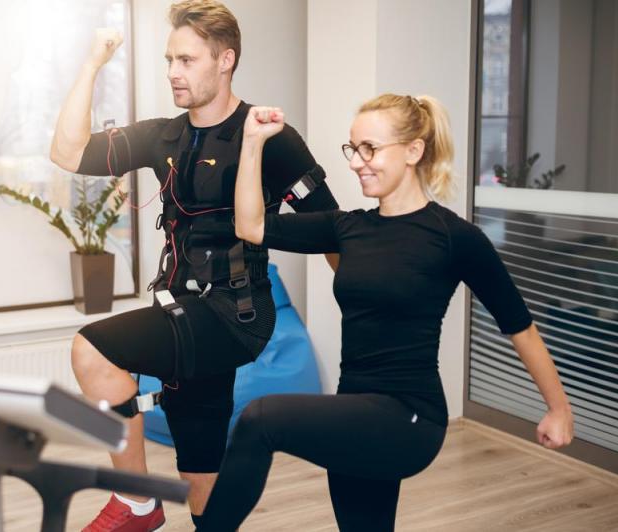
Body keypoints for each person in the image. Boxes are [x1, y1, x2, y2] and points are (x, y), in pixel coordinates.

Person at [196, 95, 575, 531]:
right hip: (354, 410)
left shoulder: (454, 237)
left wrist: (558, 409)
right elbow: (250, 227)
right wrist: (252, 142)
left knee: (260, 419)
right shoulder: (347, 227)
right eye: (353, 149)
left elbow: (519, 325)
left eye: (370, 149)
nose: (358, 162)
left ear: (413, 150)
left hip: (409, 417)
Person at [49, 1, 339, 530]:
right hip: (182, 310)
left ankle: (136, 499)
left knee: (90, 350)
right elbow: (68, 153)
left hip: (233, 314)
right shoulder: (165, 135)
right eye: (168, 60)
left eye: (186, 60)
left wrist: (367, 309)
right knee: (201, 482)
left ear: (225, 60)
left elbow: (330, 226)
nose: (172, 73)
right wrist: (93, 63)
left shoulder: (266, 135)